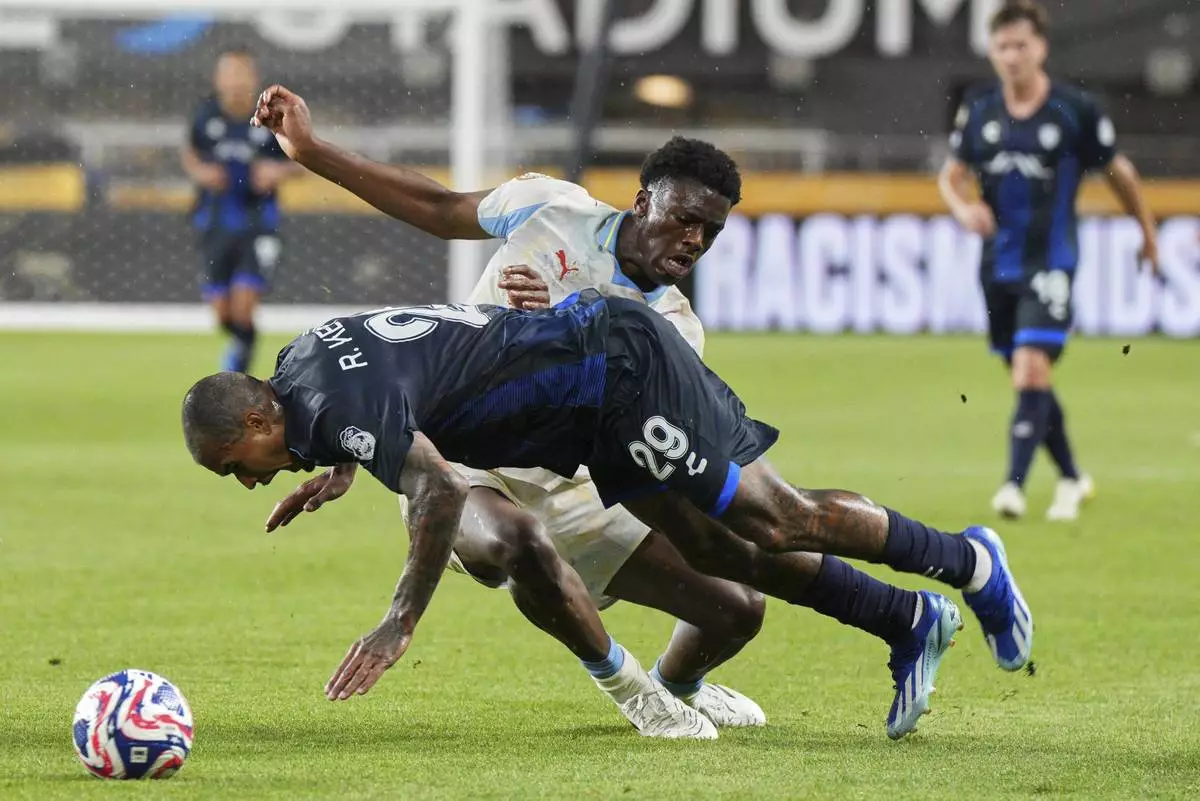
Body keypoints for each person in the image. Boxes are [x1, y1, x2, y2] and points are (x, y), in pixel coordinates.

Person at [249, 88, 968, 740]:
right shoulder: (549, 207)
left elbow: (612, 436)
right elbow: (438, 211)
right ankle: (633, 692)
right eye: (683, 218)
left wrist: (552, 334)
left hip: (577, 475)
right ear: (643, 200)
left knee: (738, 607)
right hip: (463, 457)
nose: (692, 240)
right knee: (510, 538)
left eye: (709, 233)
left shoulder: (676, 332)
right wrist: (311, 152)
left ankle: (679, 683)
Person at [183, 290, 1033, 741]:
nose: (247, 482)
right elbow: (385, 384)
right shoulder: (299, 361)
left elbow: (438, 487)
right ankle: (911, 621)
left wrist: (397, 620)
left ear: (258, 423)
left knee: (777, 520)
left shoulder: (324, 402)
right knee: (718, 549)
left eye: (237, 467)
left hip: (616, 374)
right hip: (593, 417)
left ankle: (969, 560)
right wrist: (342, 464)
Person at [937, 0, 1158, 521]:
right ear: (992, 51)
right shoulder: (980, 107)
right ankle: (1073, 478)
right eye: (1003, 46)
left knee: (1031, 368)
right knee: (1026, 375)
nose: (1012, 56)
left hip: (1053, 262)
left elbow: (1120, 174)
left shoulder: (1074, 110)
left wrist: (1147, 232)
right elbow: (951, 174)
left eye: (1021, 45)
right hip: (997, 267)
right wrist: (963, 207)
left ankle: (1013, 487)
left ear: (1041, 48)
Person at [180, 48, 301, 374]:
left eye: (240, 73)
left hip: (258, 223)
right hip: (215, 222)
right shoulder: (205, 115)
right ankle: (244, 343)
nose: (234, 80)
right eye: (228, 73)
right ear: (218, 78)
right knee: (222, 313)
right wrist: (201, 173)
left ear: (253, 78)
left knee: (244, 307)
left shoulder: (272, 118)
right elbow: (190, 154)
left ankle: (240, 377)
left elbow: (302, 160)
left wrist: (278, 172)